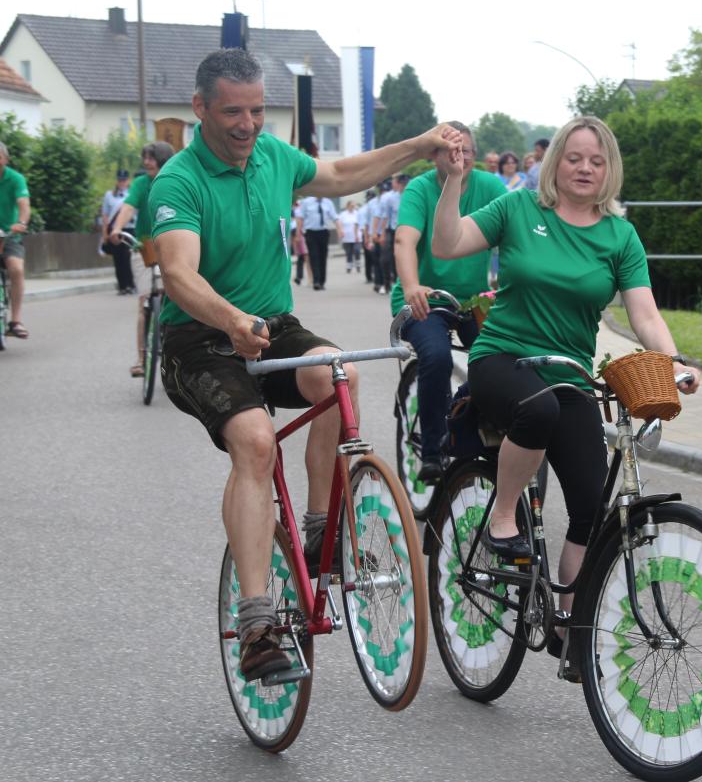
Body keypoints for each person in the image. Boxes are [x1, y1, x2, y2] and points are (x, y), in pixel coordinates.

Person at [148, 48, 460, 683]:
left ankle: (320, 527)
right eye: (232, 111)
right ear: (200, 108)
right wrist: (232, 321)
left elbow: (345, 171)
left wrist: (420, 143)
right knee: (257, 445)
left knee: (336, 373)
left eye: (258, 110)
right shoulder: (178, 180)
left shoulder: (272, 157)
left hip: (272, 325)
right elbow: (178, 272)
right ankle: (259, 623)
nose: (247, 124)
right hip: (199, 340)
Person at [431, 115, 699, 678]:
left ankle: (568, 625)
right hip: (502, 358)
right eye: (575, 157)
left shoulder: (619, 236)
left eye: (596, 161)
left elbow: (644, 312)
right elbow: (448, 243)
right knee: (537, 409)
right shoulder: (518, 209)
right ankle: (503, 513)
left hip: (570, 371)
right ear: (557, 162)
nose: (584, 168)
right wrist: (453, 182)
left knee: (588, 506)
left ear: (609, 171)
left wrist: (672, 363)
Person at [392, 121, 506, 482]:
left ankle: (468, 415)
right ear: (435, 155)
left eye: (467, 151)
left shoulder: (490, 186)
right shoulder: (420, 189)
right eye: (452, 150)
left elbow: (513, 235)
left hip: (474, 299)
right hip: (427, 298)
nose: (461, 157)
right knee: (437, 356)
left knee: (504, 354)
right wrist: (412, 286)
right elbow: (404, 241)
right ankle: (431, 450)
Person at [108, 141, 176, 377]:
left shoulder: (175, 179)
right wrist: (116, 228)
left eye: (151, 157)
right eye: (145, 157)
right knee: (145, 299)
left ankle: (179, 351)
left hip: (173, 244)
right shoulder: (140, 183)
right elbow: (128, 207)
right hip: (144, 246)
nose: (146, 162)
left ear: (163, 159)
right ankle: (141, 358)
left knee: (178, 297)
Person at [0, 141, 31, 340]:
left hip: (9, 234)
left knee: (16, 269)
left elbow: (24, 204)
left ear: (5, 159)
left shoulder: (16, 179)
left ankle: (15, 320)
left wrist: (21, 221)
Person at [101, 170, 135, 295]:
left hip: (129, 228)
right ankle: (122, 286)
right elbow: (105, 215)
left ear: (128, 181)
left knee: (128, 257)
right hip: (114, 229)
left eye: (124, 180)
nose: (122, 182)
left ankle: (130, 284)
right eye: (120, 180)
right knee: (118, 259)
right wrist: (105, 233)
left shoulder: (132, 193)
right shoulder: (109, 195)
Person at [376, 173, 408, 293]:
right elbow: (385, 217)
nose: (404, 187)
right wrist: (382, 233)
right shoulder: (391, 198)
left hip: (407, 232)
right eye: (402, 184)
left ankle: (399, 283)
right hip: (392, 230)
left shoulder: (411, 196)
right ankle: (386, 284)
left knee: (401, 258)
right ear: (398, 184)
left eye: (406, 184)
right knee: (385, 258)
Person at [301, 192, 338, 290]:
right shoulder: (306, 202)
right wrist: (298, 232)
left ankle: (322, 281)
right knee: (314, 256)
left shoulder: (328, 202)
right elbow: (300, 217)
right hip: (310, 232)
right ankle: (316, 281)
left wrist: (340, 229)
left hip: (324, 232)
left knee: (323, 256)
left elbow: (335, 217)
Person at [357, 189, 379, 284]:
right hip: (371, 233)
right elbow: (363, 223)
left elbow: (361, 224)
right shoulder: (369, 207)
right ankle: (372, 275)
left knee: (369, 257)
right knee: (374, 256)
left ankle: (369, 276)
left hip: (367, 233)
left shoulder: (363, 209)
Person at [337, 199, 362, 274]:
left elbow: (360, 224)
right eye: (351, 205)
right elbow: (339, 223)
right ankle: (349, 267)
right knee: (349, 253)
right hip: (347, 237)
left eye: (354, 206)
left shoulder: (357, 213)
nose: (352, 207)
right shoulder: (343, 214)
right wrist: (340, 232)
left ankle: (358, 265)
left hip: (356, 236)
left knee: (357, 250)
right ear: (347, 206)